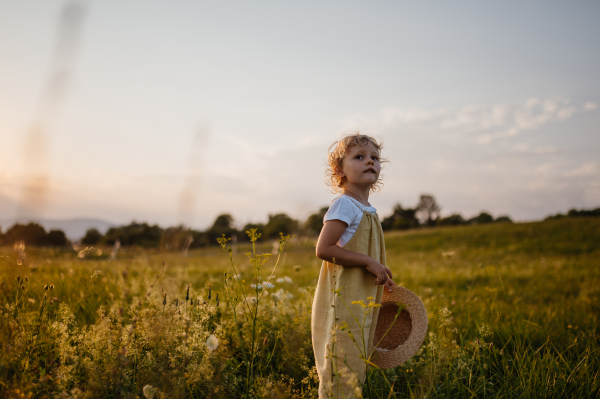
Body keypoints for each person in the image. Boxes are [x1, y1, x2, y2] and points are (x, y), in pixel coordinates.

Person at [312, 133, 396, 398]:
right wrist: (369, 261)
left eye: (374, 158)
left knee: (355, 359)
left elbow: (367, 251)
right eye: (359, 157)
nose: (369, 161)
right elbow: (324, 249)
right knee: (341, 359)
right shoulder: (344, 204)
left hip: (361, 299)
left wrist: (380, 271)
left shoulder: (368, 209)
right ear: (340, 170)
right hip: (344, 300)